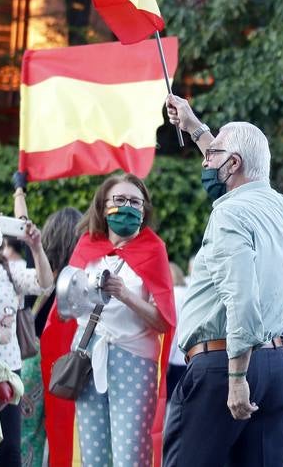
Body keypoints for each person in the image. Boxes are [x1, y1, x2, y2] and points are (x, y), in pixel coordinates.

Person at [162, 95, 283, 467]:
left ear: (233, 163)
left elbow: (240, 296)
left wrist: (237, 377)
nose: (205, 163)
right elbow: (237, 167)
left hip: (225, 363)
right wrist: (195, 128)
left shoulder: (229, 214)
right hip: (272, 362)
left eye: (211, 157)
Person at [48, 173, 175, 467]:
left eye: (135, 202)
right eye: (119, 200)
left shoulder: (153, 250)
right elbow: (64, 309)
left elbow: (163, 321)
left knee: (130, 456)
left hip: (133, 359)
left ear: (144, 211)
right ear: (103, 207)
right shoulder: (86, 246)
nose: (127, 206)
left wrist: (126, 294)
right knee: (93, 455)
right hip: (88, 357)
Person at [0, 216, 54, 467]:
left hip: (7, 367)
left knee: (8, 448)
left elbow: (44, 284)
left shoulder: (10, 270)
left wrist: (36, 247)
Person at [25, 205, 82, 467]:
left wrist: (20, 193)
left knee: (27, 441)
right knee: (65, 442)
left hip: (30, 364)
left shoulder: (34, 274)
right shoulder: (81, 279)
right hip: (67, 369)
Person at [166, 262, 188, 401]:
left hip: (173, 357)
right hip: (190, 358)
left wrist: (166, 359)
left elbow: (171, 330)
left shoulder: (172, 296)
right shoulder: (189, 293)